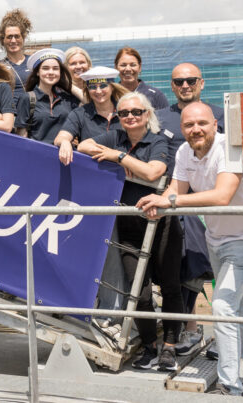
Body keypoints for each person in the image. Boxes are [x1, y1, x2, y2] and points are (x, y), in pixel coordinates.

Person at [137, 102, 243, 396]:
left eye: (202, 123)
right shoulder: (185, 152)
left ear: (215, 124)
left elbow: (223, 195)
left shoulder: (229, 148)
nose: (195, 129)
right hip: (216, 238)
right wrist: (157, 204)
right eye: (188, 125)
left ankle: (230, 385)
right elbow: (176, 190)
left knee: (224, 307)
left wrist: (169, 203)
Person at [78, 92, 182, 373]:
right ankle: (149, 346)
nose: (130, 117)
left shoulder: (159, 139)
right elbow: (85, 144)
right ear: (118, 118)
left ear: (147, 114)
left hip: (162, 225)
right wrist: (117, 160)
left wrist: (118, 158)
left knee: (171, 286)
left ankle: (171, 347)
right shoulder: (115, 137)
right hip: (128, 228)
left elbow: (153, 172)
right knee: (140, 292)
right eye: (124, 114)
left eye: (136, 112)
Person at [156, 62, 223, 357]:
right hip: (179, 202)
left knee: (222, 284)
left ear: (201, 83)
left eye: (191, 80)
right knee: (185, 267)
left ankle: (225, 341)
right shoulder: (161, 118)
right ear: (172, 86)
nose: (185, 85)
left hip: (216, 208)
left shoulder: (218, 114)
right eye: (179, 81)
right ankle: (191, 328)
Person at [54, 65, 125, 165]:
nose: (98, 91)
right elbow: (61, 137)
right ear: (87, 90)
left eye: (103, 85)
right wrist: (65, 142)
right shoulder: (79, 114)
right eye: (92, 87)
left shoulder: (126, 110)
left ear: (112, 87)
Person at [15, 49, 80, 143]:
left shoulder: (67, 98)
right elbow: (22, 136)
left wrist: (67, 84)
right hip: (38, 155)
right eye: (45, 68)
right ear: (37, 72)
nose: (51, 72)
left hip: (66, 155)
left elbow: (89, 103)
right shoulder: (27, 98)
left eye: (55, 68)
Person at [0, 9, 32, 103]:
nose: (13, 41)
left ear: (23, 38)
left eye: (17, 36)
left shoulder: (34, 62)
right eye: (9, 37)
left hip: (34, 114)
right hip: (12, 115)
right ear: (2, 40)